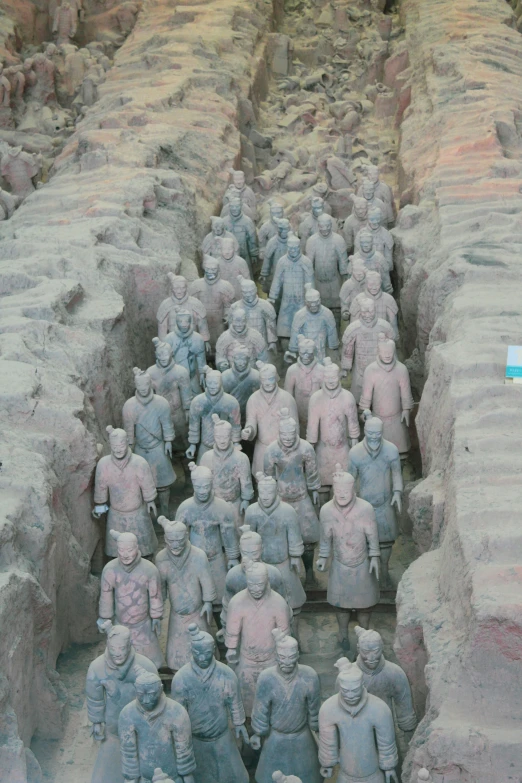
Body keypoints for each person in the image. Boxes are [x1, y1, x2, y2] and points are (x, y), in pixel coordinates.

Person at [171, 624, 249, 783]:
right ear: (191, 650)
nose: (201, 657)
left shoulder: (226, 674)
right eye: (197, 653)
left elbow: (234, 700)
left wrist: (239, 723)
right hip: (195, 739)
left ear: (213, 650)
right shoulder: (181, 679)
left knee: (233, 776)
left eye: (206, 653)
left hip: (222, 736)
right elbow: (178, 714)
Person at [86, 623, 158, 783]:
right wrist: (97, 722)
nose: (117, 653)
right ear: (107, 645)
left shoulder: (145, 666)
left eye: (122, 648)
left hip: (141, 729)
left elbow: (157, 698)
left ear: (130, 645)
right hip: (114, 730)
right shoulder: (97, 667)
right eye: (113, 649)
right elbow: (94, 697)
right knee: (106, 774)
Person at [251, 631, 322, 783]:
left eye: (291, 657)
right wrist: (258, 733)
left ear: (297, 655)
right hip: (275, 738)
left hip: (302, 737)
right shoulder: (266, 678)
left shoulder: (309, 676)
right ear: (276, 656)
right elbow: (260, 709)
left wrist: (318, 731)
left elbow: (314, 709)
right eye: (283, 657)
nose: (287, 662)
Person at [225, 561, 292, 716]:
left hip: (272, 659)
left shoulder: (278, 603)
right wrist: (231, 649)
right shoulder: (237, 602)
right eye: (251, 585)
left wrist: (284, 652)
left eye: (259, 584)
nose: (256, 589)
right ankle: (248, 721)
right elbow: (233, 629)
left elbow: (284, 635)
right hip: (246, 659)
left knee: (274, 696)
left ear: (266, 581)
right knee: (246, 695)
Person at [318, 662, 398, 783]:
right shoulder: (328, 708)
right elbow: (327, 742)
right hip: (345, 776)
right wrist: (327, 764)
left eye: (354, 690)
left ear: (362, 685)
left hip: (373, 775)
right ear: (340, 687)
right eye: (345, 691)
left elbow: (386, 743)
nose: (350, 695)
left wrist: (389, 767)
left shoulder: (379, 708)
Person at [155, 518, 216, 671]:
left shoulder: (199, 556)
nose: (175, 545)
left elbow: (207, 580)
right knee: (176, 654)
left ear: (187, 536)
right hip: (176, 615)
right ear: (165, 539)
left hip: (197, 611)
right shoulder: (161, 559)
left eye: (180, 540)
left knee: (204, 646)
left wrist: (208, 602)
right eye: (171, 541)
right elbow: (161, 588)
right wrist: (157, 611)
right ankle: (177, 667)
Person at [98, 531, 164, 668]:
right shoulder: (110, 569)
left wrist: (157, 616)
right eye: (121, 550)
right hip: (120, 625)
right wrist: (105, 617)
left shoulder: (149, 569)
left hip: (143, 625)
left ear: (137, 548)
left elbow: (155, 595)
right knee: (119, 662)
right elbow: (106, 596)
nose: (125, 554)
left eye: (129, 550)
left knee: (150, 665)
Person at [118, 671, 196, 783]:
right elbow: (129, 754)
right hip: (144, 779)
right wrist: (131, 778)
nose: (146, 700)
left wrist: (187, 776)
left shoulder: (176, 711)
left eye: (151, 694)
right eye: (141, 694)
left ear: (161, 689)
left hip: (172, 778)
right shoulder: (127, 714)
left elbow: (183, 750)